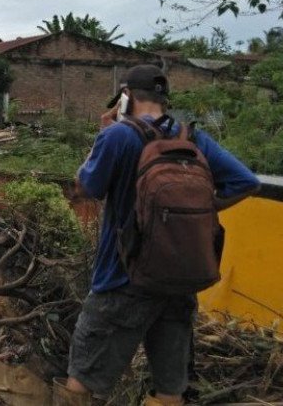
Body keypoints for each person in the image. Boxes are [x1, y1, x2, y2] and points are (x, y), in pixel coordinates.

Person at [56, 65, 260, 406]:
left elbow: (85, 187)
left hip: (122, 281)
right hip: (180, 283)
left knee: (82, 380)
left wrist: (102, 135)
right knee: (170, 389)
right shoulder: (192, 139)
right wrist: (205, 208)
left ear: (126, 96)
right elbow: (246, 182)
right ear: (164, 100)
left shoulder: (117, 136)